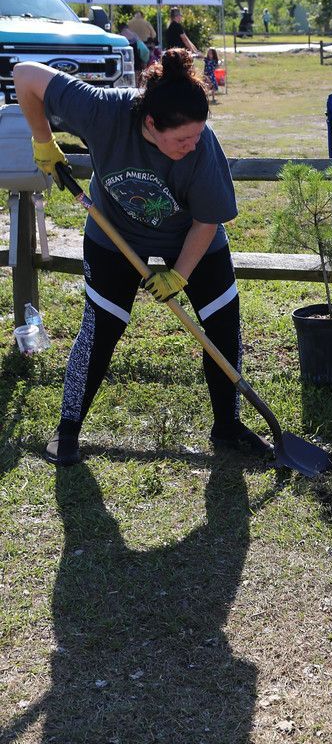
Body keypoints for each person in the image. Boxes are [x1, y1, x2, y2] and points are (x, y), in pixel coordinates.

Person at [13, 49, 273, 467]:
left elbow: (207, 223)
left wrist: (179, 276)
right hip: (115, 235)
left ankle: (228, 426)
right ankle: (68, 429)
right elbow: (25, 76)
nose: (191, 146)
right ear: (150, 123)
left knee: (222, 323)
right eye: (181, 140)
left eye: (196, 136)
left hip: (191, 236)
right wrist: (43, 141)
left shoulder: (202, 148)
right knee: (101, 328)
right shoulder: (104, 112)